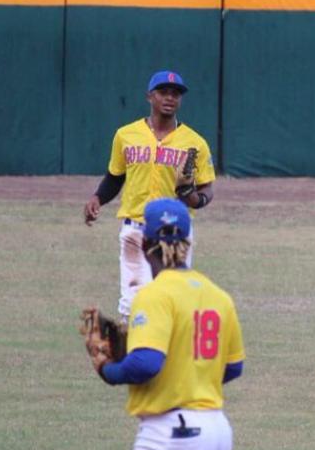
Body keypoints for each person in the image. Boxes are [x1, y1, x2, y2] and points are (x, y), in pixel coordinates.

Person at [88, 197, 245, 450]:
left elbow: (145, 364)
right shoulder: (217, 295)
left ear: (144, 245)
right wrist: (191, 375)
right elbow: (234, 367)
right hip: (215, 431)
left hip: (170, 436)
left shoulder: (154, 295)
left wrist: (109, 370)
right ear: (189, 241)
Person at [84, 70, 216, 320]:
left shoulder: (194, 142)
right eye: (163, 92)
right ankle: (134, 356)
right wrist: (97, 198)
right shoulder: (126, 135)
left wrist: (195, 199)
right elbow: (116, 176)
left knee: (174, 302)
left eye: (176, 94)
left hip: (175, 231)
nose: (170, 98)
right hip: (136, 229)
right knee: (133, 305)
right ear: (149, 96)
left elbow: (206, 189)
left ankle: (169, 357)